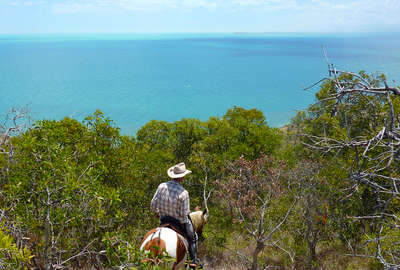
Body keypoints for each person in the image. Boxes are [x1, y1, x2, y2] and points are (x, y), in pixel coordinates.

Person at [150, 162, 199, 268]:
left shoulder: (161, 186)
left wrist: (158, 214)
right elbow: (183, 215)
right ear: (182, 177)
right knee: (193, 237)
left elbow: (153, 205)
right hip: (178, 224)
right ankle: (193, 261)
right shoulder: (183, 193)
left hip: (163, 221)